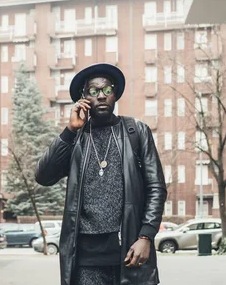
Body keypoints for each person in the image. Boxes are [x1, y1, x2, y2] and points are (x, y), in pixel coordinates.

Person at [35, 63, 167, 285]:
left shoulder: (136, 131)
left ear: (115, 94)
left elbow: (156, 187)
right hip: (86, 257)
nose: (102, 96)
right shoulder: (76, 138)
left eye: (107, 90)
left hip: (129, 249)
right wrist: (69, 132)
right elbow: (44, 176)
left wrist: (146, 236)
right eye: (94, 92)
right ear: (84, 98)